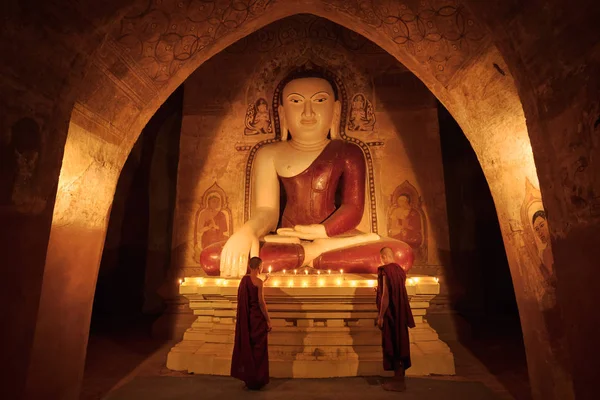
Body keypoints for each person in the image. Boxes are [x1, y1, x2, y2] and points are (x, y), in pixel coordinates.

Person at [200, 68, 414, 277]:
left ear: (336, 110)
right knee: (212, 258)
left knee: (398, 255)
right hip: (286, 240)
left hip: (336, 239)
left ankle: (308, 254)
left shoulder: (349, 152)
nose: (308, 112)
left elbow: (353, 207)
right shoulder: (269, 154)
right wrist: (247, 232)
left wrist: (322, 232)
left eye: (319, 101)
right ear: (283, 113)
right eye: (296, 101)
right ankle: (314, 254)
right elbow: (266, 210)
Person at [376, 247, 415, 392]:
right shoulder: (399, 270)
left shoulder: (386, 270)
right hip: (400, 311)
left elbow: (386, 295)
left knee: (392, 342)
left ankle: (398, 382)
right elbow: (396, 290)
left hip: (391, 313)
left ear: (385, 256)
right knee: (400, 340)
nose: (381, 261)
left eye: (381, 258)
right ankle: (399, 378)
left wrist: (380, 316)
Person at [230, 256, 272, 390]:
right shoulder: (259, 282)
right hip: (258, 320)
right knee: (259, 350)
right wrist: (268, 320)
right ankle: (258, 379)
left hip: (247, 319)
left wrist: (263, 281)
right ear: (260, 267)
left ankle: (249, 379)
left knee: (249, 348)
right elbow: (261, 302)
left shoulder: (244, 280)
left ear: (249, 266)